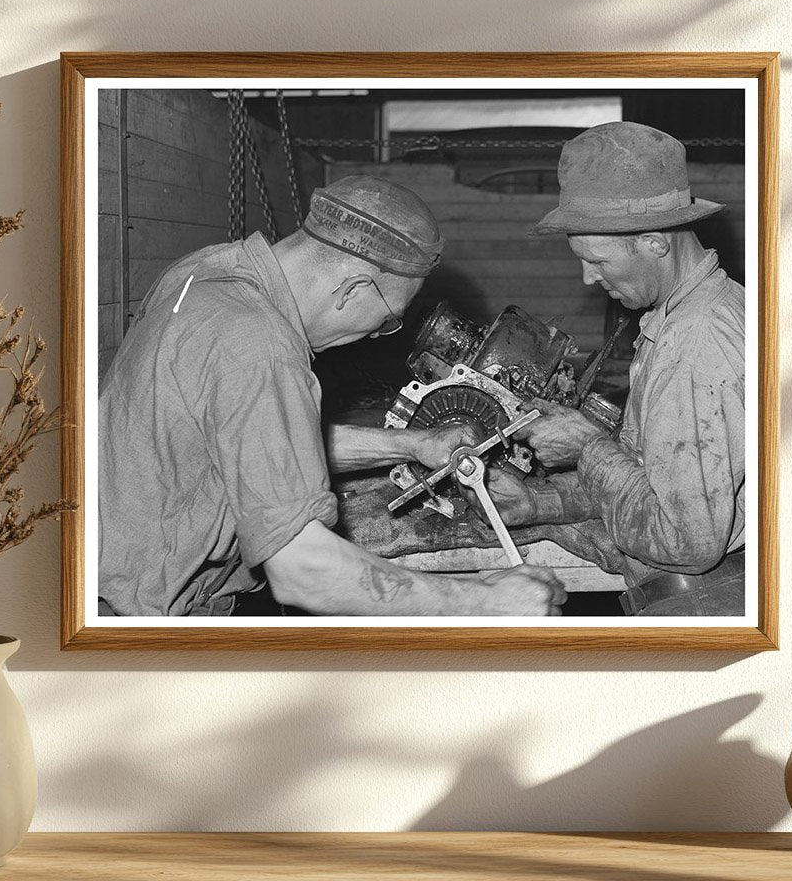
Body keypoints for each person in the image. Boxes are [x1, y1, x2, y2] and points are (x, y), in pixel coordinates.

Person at [98, 175, 565, 618]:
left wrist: (412, 445)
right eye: (388, 318)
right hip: (135, 615)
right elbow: (303, 570)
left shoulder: (203, 272)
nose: (377, 333)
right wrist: (483, 600)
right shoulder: (259, 344)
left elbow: (253, 440)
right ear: (354, 288)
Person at [478, 122, 746, 617]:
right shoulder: (690, 316)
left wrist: (587, 446)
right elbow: (648, 476)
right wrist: (541, 505)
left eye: (596, 260)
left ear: (654, 243)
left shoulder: (694, 347)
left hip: (706, 609)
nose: (588, 277)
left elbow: (687, 542)